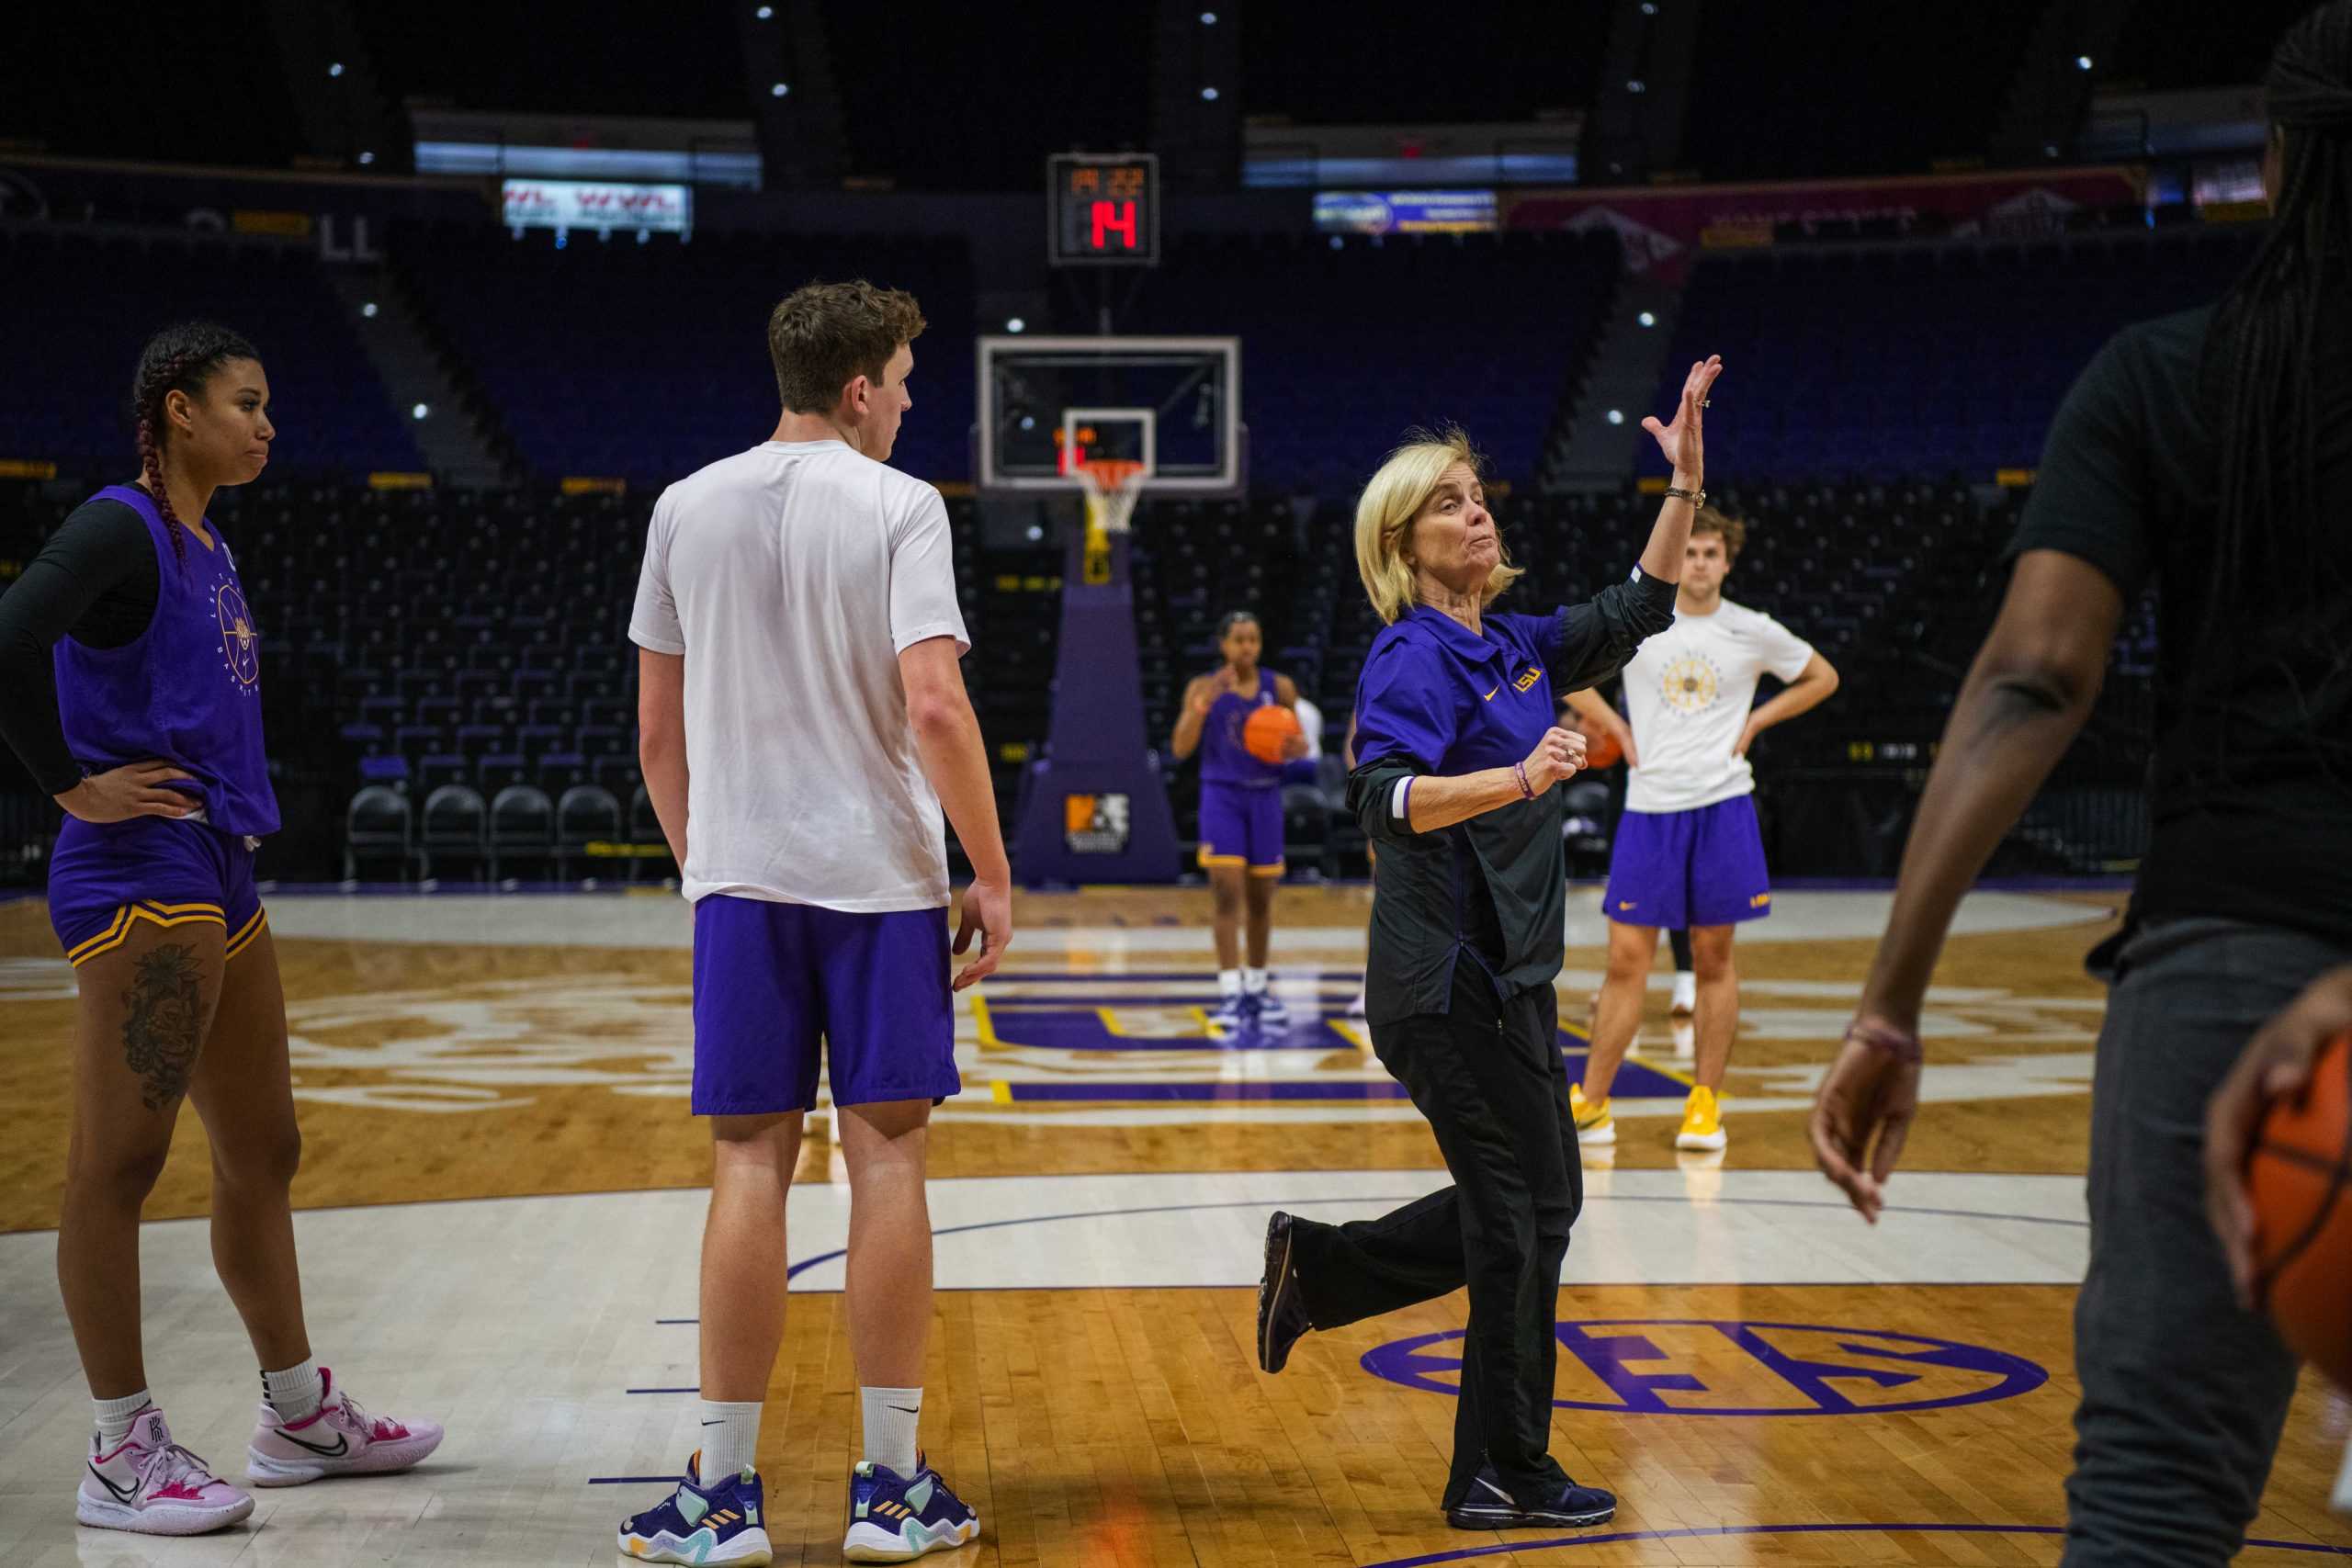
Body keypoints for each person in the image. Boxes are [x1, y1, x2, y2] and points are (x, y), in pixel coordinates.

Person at [1809, 9, 2352, 1562]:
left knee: (2157, 1495)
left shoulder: (2167, 377)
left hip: (2238, 961)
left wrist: (1891, 1002)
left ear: (2277, 159)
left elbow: (2038, 668)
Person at [1257, 356, 1723, 1533]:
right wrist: (1517, 776)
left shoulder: (1510, 642)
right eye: (1453, 500)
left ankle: (1321, 1273)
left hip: (1508, 981)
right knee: (1516, 1215)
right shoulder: (1411, 652)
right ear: (1404, 541)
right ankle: (1498, 1468)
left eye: (1479, 494)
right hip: (1439, 983)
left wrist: (1680, 488)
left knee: (1539, 1206)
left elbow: (1632, 611)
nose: (1480, 511)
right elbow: (1381, 795)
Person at [0, 323, 442, 1537]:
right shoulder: (117, 525)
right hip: (137, 862)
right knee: (118, 1162)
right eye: (247, 403)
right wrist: (68, 782)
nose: (268, 424)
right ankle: (119, 1449)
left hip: (218, 867)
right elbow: (7, 634)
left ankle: (298, 1411)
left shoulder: (209, 542)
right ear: (179, 410)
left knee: (267, 1144)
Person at [621, 279, 1010, 1565]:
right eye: (902, 378)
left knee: (748, 1161)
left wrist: (708, 862)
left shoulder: (684, 505)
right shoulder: (901, 506)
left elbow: (657, 737)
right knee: (886, 1155)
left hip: (744, 883)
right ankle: (891, 1487)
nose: (907, 399)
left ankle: (720, 1495)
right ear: (857, 388)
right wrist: (993, 870)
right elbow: (938, 706)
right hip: (881, 881)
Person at [1566, 509, 1838, 1151]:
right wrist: (1620, 729)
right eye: (1690, 551)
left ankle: (1704, 1103)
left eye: (1711, 552)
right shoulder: (1639, 621)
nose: (1700, 563)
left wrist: (1756, 723)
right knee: (1625, 962)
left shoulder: (1752, 629)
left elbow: (1823, 676)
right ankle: (1594, 1102)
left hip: (1723, 805)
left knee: (1714, 960)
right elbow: (1569, 672)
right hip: (1650, 806)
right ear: (1674, 556)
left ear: (1727, 559)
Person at [1170, 609, 1309, 1031]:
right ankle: (1230, 993)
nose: (1246, 647)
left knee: (1263, 899)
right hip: (1222, 797)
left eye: (1253, 639)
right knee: (1227, 894)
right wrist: (1203, 702)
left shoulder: (1279, 686)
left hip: (1265, 797)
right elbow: (1179, 748)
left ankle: (1258, 988)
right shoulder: (1202, 687)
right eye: (1239, 640)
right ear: (1223, 645)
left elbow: (1302, 747)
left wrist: (1292, 748)